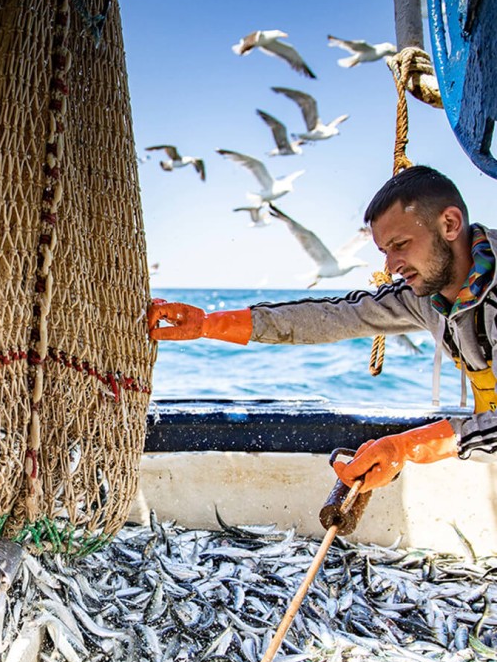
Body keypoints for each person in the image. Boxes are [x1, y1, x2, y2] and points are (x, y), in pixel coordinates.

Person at [148, 165, 497, 493]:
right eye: (384, 251)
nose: (390, 267)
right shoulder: (423, 296)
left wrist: (405, 447)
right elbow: (336, 316)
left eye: (400, 245)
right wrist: (208, 324)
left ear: (450, 224)